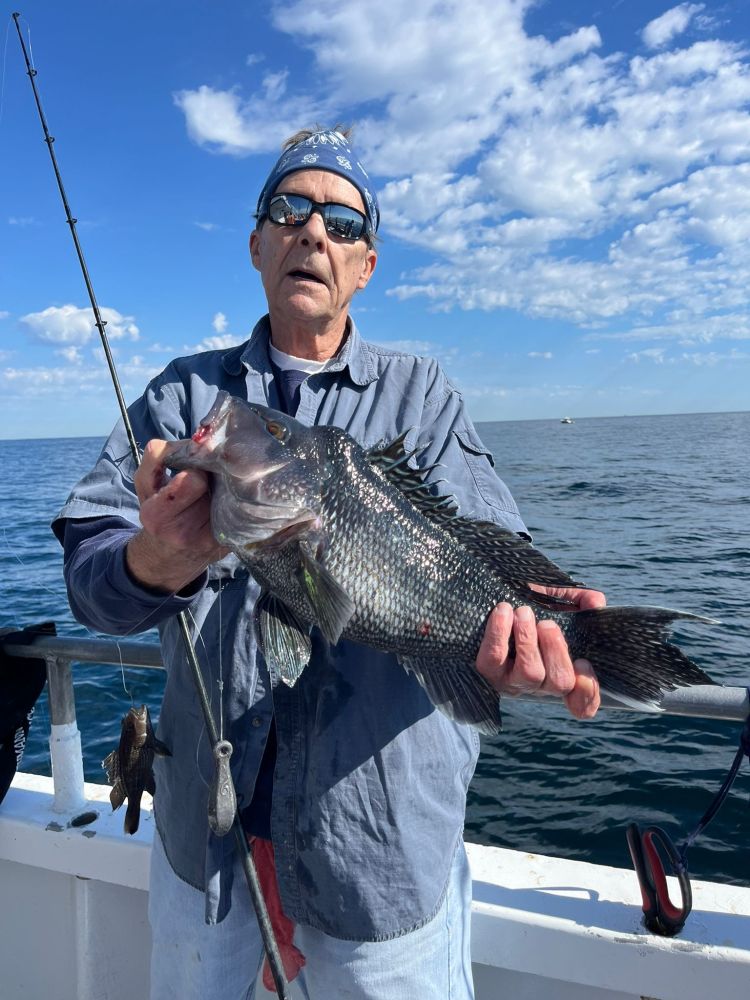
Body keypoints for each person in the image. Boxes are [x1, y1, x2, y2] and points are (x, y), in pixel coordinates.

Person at [53, 127, 604, 1000]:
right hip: (208, 846)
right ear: (258, 245)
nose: (314, 232)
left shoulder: (422, 395)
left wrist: (539, 641)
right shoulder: (184, 399)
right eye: (289, 210)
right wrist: (152, 563)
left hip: (378, 853)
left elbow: (499, 556)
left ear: (366, 265)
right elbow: (91, 574)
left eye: (341, 222)